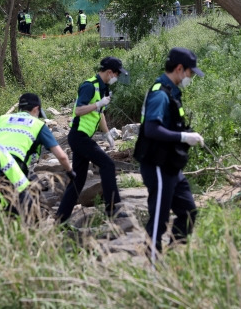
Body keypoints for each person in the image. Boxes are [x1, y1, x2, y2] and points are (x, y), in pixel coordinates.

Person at [133, 47, 204, 260]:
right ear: (180, 69)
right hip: (157, 164)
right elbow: (151, 129)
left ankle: (173, 256)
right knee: (160, 217)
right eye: (190, 72)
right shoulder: (159, 94)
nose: (190, 77)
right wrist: (183, 137)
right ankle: (153, 265)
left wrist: (185, 134)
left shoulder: (172, 91)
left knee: (188, 212)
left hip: (171, 164)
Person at [56, 56, 129, 223]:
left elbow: (100, 113)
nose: (117, 78)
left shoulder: (103, 88)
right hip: (79, 137)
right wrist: (98, 104)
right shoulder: (89, 86)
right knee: (108, 164)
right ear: (110, 72)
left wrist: (107, 133)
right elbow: (79, 111)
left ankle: (60, 219)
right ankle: (112, 208)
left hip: (83, 137)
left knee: (78, 180)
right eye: (117, 74)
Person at [0, 93, 74, 180]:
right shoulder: (38, 125)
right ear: (36, 109)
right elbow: (61, 156)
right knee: (26, 193)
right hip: (13, 166)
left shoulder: (2, 119)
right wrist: (70, 172)